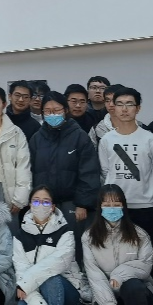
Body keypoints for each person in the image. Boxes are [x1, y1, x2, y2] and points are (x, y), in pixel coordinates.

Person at [97, 86, 153, 305]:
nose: (124, 109)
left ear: (138, 108)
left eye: (130, 104)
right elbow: (105, 173)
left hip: (144, 207)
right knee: (117, 259)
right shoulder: (107, 140)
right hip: (115, 210)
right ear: (112, 107)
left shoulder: (151, 139)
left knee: (147, 260)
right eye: (120, 104)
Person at [83, 185, 153, 305]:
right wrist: (107, 302)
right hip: (108, 293)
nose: (112, 209)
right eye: (107, 204)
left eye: (116, 204)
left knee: (132, 287)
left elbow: (145, 265)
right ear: (100, 206)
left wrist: (119, 274)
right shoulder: (89, 237)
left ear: (123, 206)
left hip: (138, 292)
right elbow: (94, 274)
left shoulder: (139, 235)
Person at [28, 93, 97, 266]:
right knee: (47, 246)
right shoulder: (36, 138)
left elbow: (88, 171)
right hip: (44, 204)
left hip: (72, 203)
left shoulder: (79, 136)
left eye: (57, 110)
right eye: (48, 111)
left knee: (74, 245)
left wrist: (82, 203)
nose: (52, 114)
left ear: (65, 110)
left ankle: (78, 276)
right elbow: (31, 171)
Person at [11, 185, 79, 305]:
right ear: (30, 205)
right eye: (36, 201)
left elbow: (57, 263)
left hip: (64, 291)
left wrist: (25, 284)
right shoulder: (20, 236)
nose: (40, 205)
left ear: (53, 207)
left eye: (46, 202)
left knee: (51, 278)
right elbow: (21, 270)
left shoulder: (65, 231)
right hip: (34, 289)